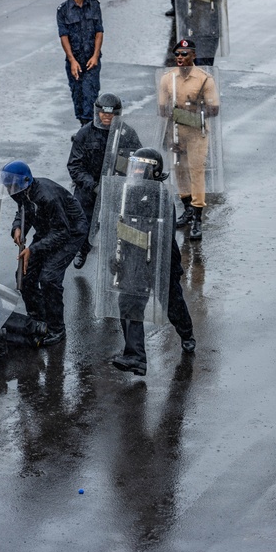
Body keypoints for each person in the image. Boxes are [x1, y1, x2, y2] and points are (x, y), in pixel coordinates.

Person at [110, 148, 196, 376]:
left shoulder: (162, 197)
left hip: (160, 259)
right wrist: (116, 256)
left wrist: (130, 234)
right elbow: (119, 225)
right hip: (134, 262)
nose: (137, 171)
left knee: (172, 303)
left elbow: (156, 233)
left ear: (154, 171)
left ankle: (187, 334)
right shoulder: (127, 191)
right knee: (129, 305)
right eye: (135, 166)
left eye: (142, 167)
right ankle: (135, 357)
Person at [0, 161, 88, 346]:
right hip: (48, 229)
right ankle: (37, 318)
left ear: (25, 182)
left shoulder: (48, 196)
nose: (8, 190)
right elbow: (23, 212)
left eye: (11, 186)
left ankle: (56, 329)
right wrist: (17, 227)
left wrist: (33, 249)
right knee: (24, 275)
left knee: (49, 278)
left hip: (70, 232)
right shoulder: (23, 193)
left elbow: (62, 232)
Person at [66, 92, 142, 269]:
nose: (107, 117)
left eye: (111, 114)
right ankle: (82, 249)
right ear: (98, 112)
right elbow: (74, 166)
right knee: (83, 221)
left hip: (116, 186)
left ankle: (118, 255)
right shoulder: (84, 134)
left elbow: (138, 159)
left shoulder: (127, 133)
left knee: (121, 222)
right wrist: (93, 186)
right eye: (104, 113)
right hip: (89, 187)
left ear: (117, 114)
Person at [157, 40, 220, 240]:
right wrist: (171, 112)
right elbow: (162, 108)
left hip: (196, 132)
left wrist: (194, 109)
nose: (180, 58)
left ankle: (198, 217)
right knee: (179, 170)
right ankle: (187, 209)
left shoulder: (204, 79)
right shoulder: (168, 79)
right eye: (178, 54)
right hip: (176, 131)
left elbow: (214, 109)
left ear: (193, 55)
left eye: (184, 54)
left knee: (196, 170)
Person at [56, 0, 103, 126]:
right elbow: (63, 36)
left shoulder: (94, 5)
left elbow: (99, 32)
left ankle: (89, 128)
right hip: (74, 59)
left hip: (91, 59)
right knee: (77, 94)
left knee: (91, 93)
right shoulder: (63, 10)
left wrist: (95, 56)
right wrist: (72, 60)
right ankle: (83, 126)